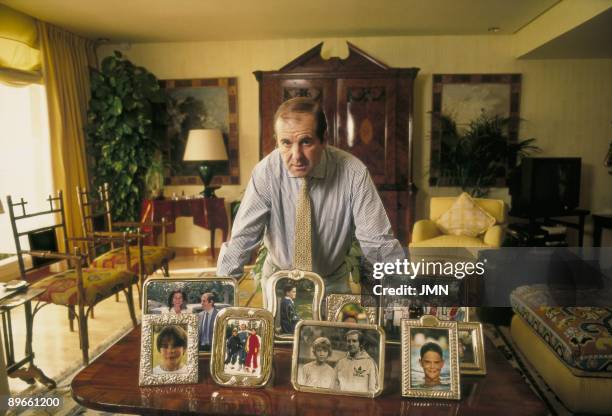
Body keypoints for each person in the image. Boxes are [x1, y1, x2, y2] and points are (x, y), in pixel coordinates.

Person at [216, 97, 405, 302]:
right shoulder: (266, 173)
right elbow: (241, 241)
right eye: (286, 143)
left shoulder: (353, 173)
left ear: (324, 139)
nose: (296, 156)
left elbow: (377, 243)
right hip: (280, 282)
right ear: (277, 140)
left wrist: (404, 293)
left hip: (332, 283)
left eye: (305, 142)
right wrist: (217, 300)